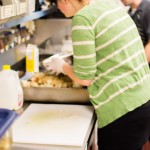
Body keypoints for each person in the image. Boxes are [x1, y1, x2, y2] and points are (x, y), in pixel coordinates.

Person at [46, 0, 150, 149]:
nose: (57, 8)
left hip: (123, 109)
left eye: (57, 3)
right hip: (143, 100)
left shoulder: (83, 18)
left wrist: (61, 66)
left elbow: (84, 78)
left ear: (66, 0)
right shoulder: (107, 4)